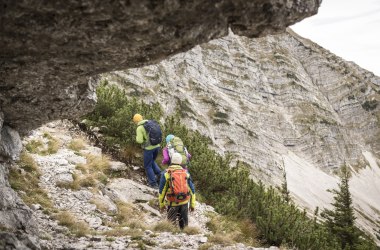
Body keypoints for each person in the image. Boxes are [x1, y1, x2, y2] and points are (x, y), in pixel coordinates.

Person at [158, 152, 196, 229]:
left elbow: (162, 191)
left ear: (171, 161)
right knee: (184, 225)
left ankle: (172, 237)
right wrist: (192, 205)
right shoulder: (186, 173)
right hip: (185, 202)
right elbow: (192, 190)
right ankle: (185, 237)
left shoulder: (166, 174)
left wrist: (162, 205)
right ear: (180, 162)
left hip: (172, 203)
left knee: (170, 225)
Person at [133, 113, 162, 189]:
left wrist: (136, 137)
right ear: (142, 118)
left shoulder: (139, 128)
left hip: (149, 149)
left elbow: (139, 141)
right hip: (157, 146)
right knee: (152, 161)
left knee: (147, 166)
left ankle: (153, 184)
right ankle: (160, 174)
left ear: (135, 121)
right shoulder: (150, 122)